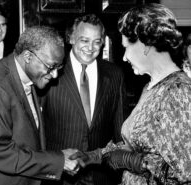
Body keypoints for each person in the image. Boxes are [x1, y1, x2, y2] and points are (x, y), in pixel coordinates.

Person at [71, 3, 191, 185]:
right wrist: (93, 156)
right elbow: (134, 143)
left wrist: (134, 162)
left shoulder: (177, 91)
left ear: (145, 45)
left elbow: (185, 173)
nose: (124, 57)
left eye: (126, 47)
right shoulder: (151, 87)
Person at [0, 26, 82, 185]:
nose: (55, 75)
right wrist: (57, 161)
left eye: (59, 67)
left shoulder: (26, 75)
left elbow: (26, 139)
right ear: (28, 56)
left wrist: (59, 157)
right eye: (51, 67)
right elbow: (2, 154)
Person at [41, 14, 125, 185]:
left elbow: (120, 129)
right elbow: (37, 127)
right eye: (84, 40)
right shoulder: (50, 71)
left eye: (96, 41)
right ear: (71, 38)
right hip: (60, 175)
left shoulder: (115, 74)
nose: (90, 47)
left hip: (102, 175)